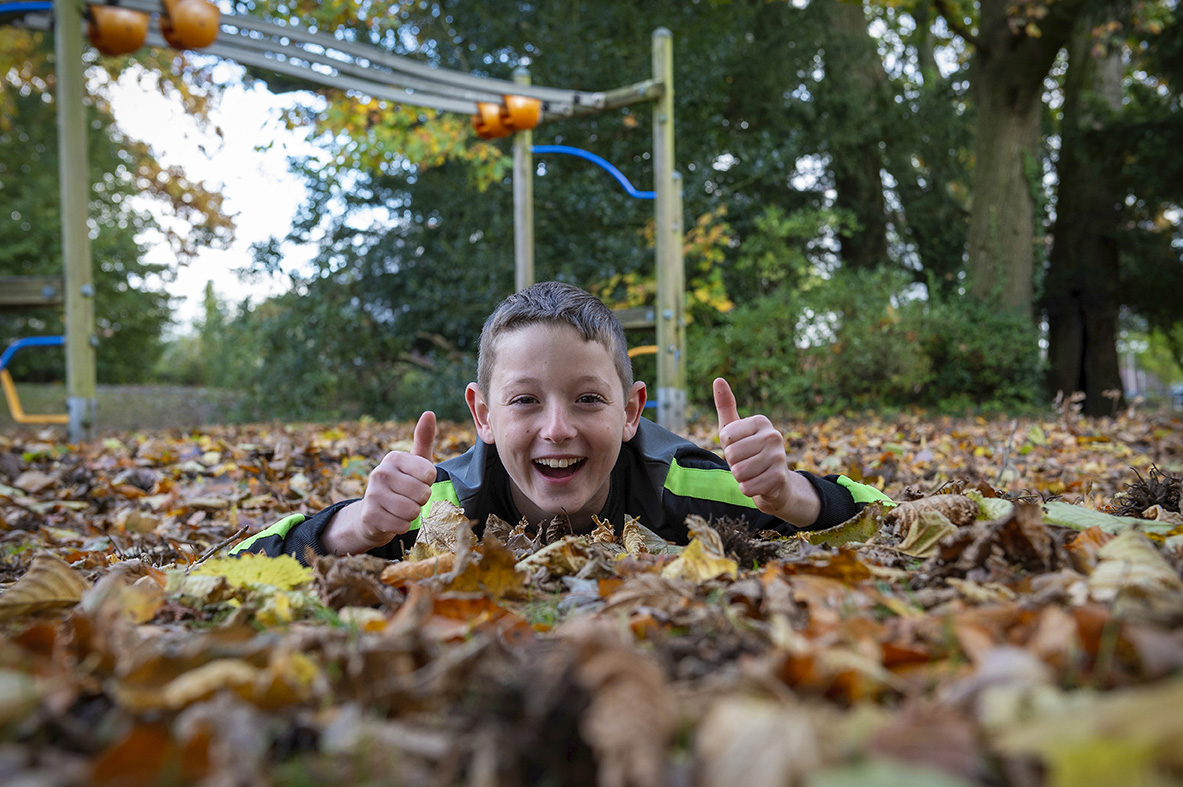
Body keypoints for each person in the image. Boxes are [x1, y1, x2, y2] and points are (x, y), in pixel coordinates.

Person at [232, 282, 890, 562]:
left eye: (587, 399)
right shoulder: (438, 504)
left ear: (631, 411)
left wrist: (788, 495)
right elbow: (241, 557)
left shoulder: (689, 486)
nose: (556, 429)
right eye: (523, 401)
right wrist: (358, 526)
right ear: (482, 415)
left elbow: (882, 511)